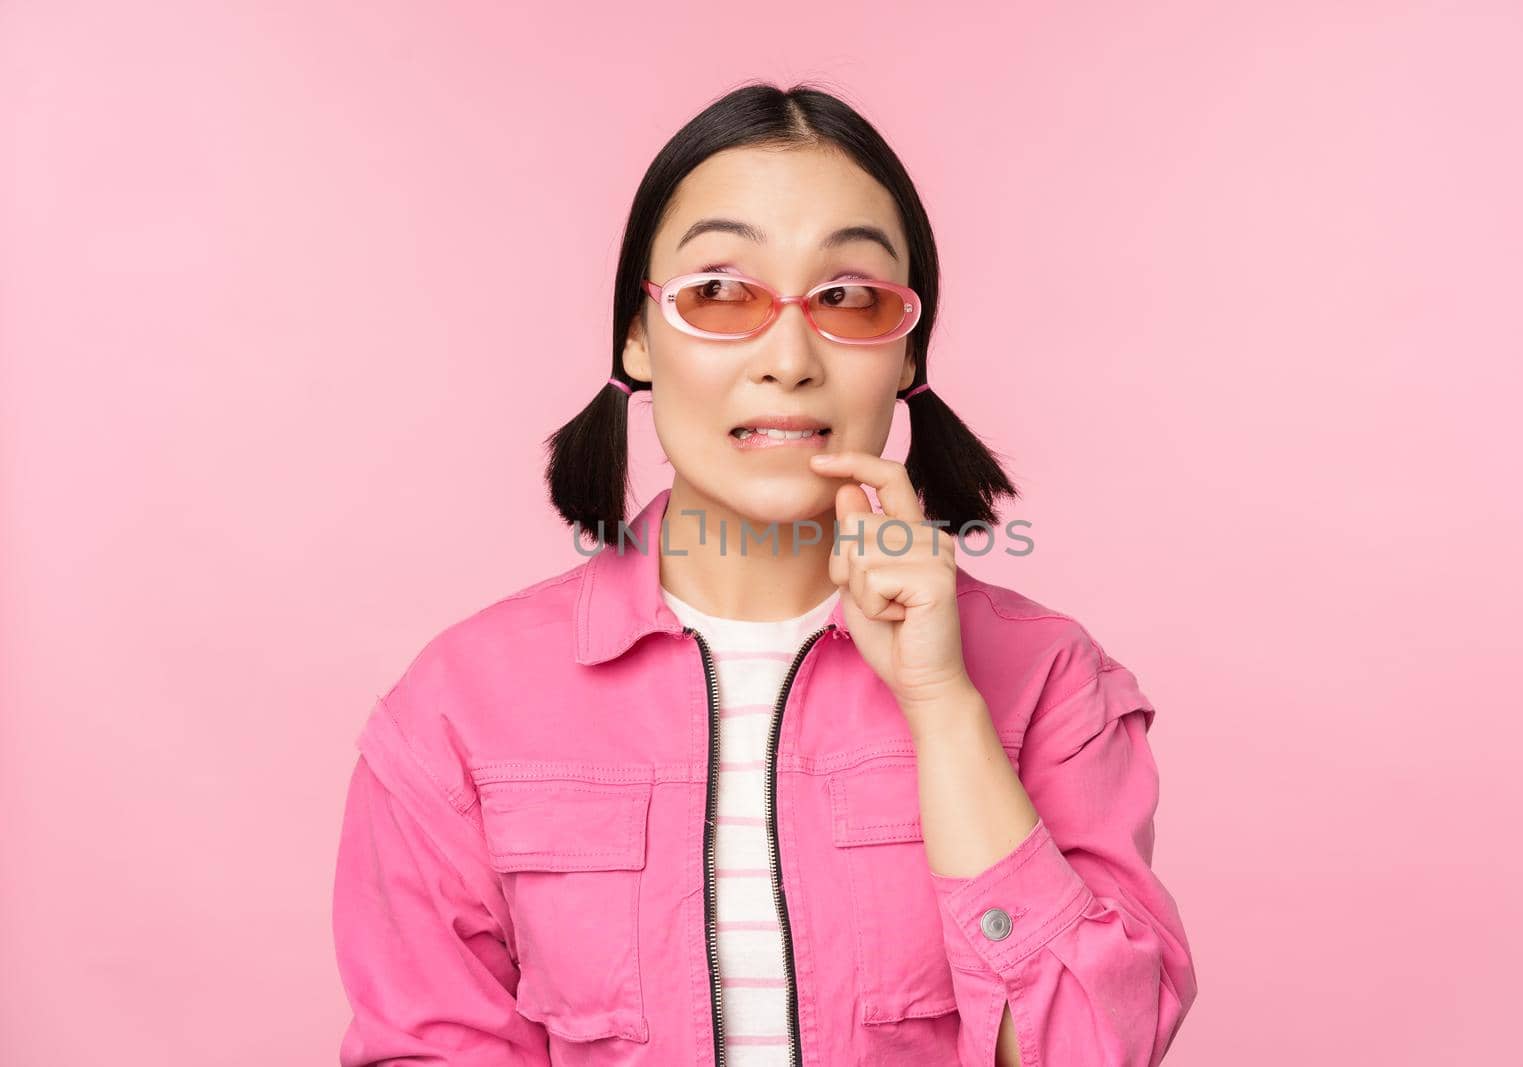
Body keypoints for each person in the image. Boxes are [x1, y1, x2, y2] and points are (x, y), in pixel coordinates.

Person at [332, 81, 1198, 1067]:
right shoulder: (458, 707)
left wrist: (942, 700)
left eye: (848, 298)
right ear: (636, 336)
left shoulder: (1048, 681)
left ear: (905, 350)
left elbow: (1091, 1047)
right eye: (720, 293)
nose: (788, 356)